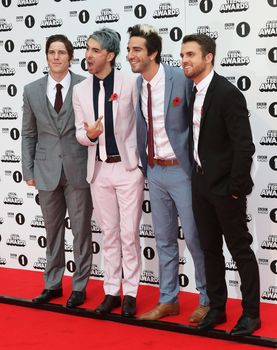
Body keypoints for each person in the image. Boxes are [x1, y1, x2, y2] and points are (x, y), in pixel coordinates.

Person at [127, 24, 209, 323]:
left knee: (195, 237)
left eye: (136, 49)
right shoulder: (137, 84)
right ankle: (168, 299)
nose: (130, 55)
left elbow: (199, 119)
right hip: (154, 171)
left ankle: (207, 298)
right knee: (163, 240)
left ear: (153, 53)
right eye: (129, 49)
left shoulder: (180, 78)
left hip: (182, 172)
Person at [180, 33, 261, 335]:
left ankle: (252, 314)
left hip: (227, 189)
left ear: (208, 57)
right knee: (209, 249)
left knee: (239, 249)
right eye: (183, 55)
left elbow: (244, 146)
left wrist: (237, 188)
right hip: (200, 185)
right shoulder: (193, 92)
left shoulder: (227, 94)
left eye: (190, 55)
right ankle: (217, 308)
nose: (184, 60)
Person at [73, 28, 144, 318]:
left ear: (110, 55)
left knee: (129, 234)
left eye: (95, 51)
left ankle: (131, 293)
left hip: (127, 169)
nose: (88, 56)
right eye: (87, 49)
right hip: (99, 171)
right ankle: (111, 291)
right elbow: (79, 131)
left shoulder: (131, 82)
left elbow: (144, 121)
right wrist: (89, 136)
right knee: (110, 234)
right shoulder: (79, 90)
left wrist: (139, 164)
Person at [21, 34, 92, 308]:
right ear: (46, 55)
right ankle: (52, 284)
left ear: (70, 56)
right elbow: (28, 134)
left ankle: (79, 287)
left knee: (82, 232)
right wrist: (28, 169)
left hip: (78, 169)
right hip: (46, 170)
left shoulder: (85, 86)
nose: (56, 57)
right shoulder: (32, 90)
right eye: (52, 52)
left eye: (62, 52)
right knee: (52, 231)